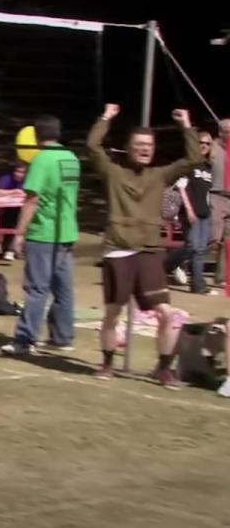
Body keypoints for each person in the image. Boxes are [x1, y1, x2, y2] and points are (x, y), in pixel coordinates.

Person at [87, 104, 203, 388]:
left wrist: (186, 125)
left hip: (149, 252)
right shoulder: (113, 172)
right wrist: (105, 118)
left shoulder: (160, 175)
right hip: (118, 250)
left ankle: (163, 369)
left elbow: (193, 158)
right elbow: (92, 146)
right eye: (139, 145)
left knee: (165, 313)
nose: (145, 150)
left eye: (149, 145)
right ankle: (107, 363)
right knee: (113, 313)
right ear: (128, 148)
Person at [0, 116, 80, 355]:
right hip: (67, 230)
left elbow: (31, 199)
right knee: (63, 287)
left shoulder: (41, 160)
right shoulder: (72, 158)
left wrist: (19, 233)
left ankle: (25, 339)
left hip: (43, 232)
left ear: (36, 137)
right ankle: (63, 337)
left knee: (37, 288)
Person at [164, 131, 214, 295]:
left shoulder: (209, 167)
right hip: (189, 213)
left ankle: (197, 285)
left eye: (207, 143)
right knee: (192, 247)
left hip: (204, 213)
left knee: (199, 250)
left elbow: (207, 191)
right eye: (201, 142)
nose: (204, 146)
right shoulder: (190, 165)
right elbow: (181, 187)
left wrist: (209, 209)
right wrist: (189, 210)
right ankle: (167, 266)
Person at [0, 161, 27, 261]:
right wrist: (14, 191)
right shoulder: (7, 178)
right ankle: (6, 249)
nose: (18, 174)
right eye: (17, 171)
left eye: (21, 172)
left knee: (17, 221)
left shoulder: (29, 180)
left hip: (22, 209)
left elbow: (29, 194)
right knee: (5, 221)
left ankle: (12, 250)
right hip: (5, 208)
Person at [209, 119, 230, 286]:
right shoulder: (213, 148)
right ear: (221, 133)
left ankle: (221, 277)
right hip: (216, 195)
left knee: (228, 240)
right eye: (228, 131)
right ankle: (175, 263)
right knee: (213, 239)